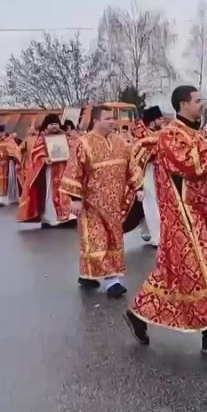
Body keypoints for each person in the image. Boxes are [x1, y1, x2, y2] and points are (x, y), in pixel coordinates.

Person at [124, 85, 207, 356]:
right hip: (182, 217)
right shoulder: (170, 136)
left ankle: (138, 315)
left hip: (201, 213)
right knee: (203, 270)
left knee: (171, 275)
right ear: (182, 105)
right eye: (198, 101)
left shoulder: (194, 133)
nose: (202, 104)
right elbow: (191, 165)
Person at [61, 107, 142, 298]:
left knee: (113, 240)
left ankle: (87, 274)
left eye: (113, 118)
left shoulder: (120, 142)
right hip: (91, 204)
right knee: (98, 241)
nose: (112, 122)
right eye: (107, 119)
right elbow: (74, 171)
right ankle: (112, 281)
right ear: (96, 121)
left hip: (115, 205)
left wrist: (137, 187)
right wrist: (74, 199)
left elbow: (131, 167)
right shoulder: (84, 144)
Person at [17, 114, 77, 228]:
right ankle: (50, 219)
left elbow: (74, 149)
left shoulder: (65, 137)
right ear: (46, 126)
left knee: (66, 193)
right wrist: (44, 158)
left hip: (64, 171)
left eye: (56, 124)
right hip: (49, 171)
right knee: (50, 194)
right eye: (51, 124)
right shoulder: (42, 138)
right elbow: (36, 153)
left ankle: (67, 217)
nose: (54, 126)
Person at [130, 105, 166, 246]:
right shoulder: (142, 136)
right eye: (160, 118)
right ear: (152, 120)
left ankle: (147, 231)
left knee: (156, 204)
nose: (162, 120)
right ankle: (157, 238)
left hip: (159, 172)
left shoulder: (158, 132)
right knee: (152, 204)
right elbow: (139, 157)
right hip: (147, 172)